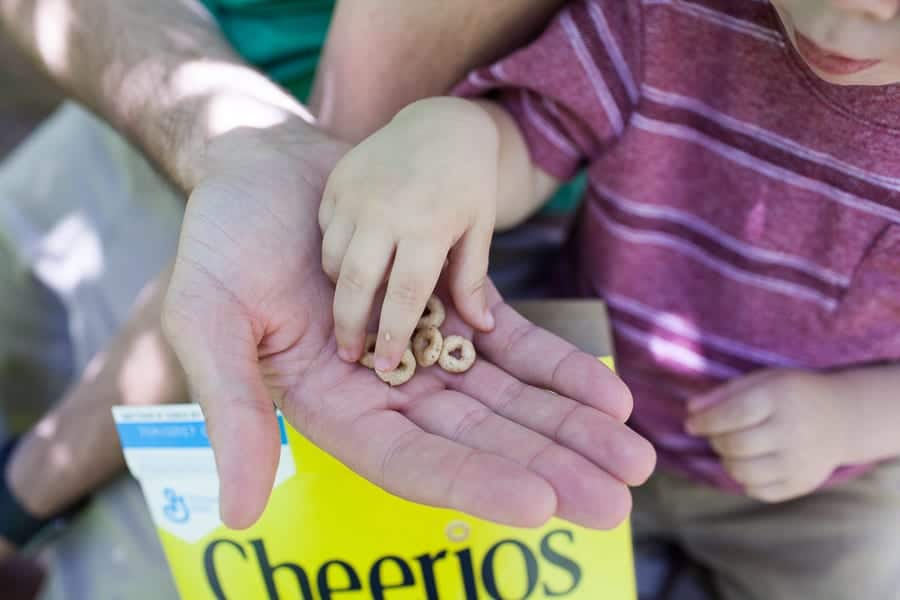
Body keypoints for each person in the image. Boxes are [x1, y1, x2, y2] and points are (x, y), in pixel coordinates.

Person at [0, 0, 655, 566]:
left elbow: (353, 150)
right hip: (162, 99)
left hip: (423, 192)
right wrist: (231, 144)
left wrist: (24, 495)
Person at [320, 0, 900, 598]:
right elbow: (533, 142)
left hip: (823, 491)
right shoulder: (665, 17)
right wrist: (459, 139)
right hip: (580, 401)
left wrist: (850, 418)